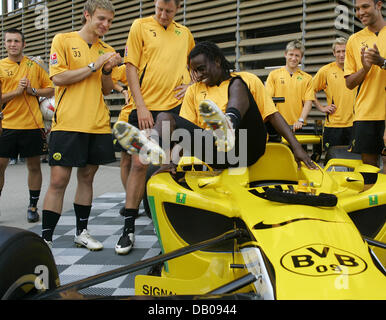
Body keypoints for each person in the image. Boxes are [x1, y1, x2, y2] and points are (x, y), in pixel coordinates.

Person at [114, 41, 316, 193]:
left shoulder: (246, 80)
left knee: (238, 84)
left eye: (201, 69)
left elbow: (272, 116)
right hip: (219, 154)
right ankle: (151, 145)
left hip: (248, 146)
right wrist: (172, 162)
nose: (198, 75)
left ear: (217, 61)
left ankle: (228, 122)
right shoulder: (194, 91)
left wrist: (297, 148)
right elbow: (186, 133)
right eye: (194, 72)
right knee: (168, 117)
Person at [112, 0, 195, 255]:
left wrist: (191, 85)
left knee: (169, 165)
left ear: (177, 8)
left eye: (168, 11)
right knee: (139, 163)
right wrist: (141, 106)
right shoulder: (140, 26)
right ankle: (128, 228)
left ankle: (170, 227)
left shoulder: (185, 33)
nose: (163, 14)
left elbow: (196, 64)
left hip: (175, 110)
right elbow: (130, 68)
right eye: (159, 9)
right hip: (146, 108)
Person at [41, 0, 121, 250]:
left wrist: (106, 70)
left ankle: (81, 232)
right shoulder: (63, 40)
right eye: (101, 19)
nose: (105, 25)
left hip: (97, 124)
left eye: (109, 21)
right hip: (68, 123)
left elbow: (107, 90)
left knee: (87, 178)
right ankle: (45, 238)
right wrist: (93, 66)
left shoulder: (106, 49)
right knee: (58, 180)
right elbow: (58, 78)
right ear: (87, 15)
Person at [0, 28, 54, 223]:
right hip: (7, 125)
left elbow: (50, 90)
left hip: (32, 126)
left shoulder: (34, 65)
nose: (12, 44)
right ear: (5, 44)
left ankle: (33, 206)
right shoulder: (0, 66)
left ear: (23, 44)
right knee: (0, 167)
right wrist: (15, 92)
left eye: (16, 41)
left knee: (34, 166)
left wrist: (33, 90)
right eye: (9, 41)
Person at [344, 0, 385, 170]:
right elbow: (349, 83)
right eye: (357, 9)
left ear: (379, 5)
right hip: (365, 114)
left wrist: (381, 61)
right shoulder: (354, 40)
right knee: (369, 171)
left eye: (365, 6)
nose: (360, 12)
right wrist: (365, 69)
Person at [313, 37, 356, 151]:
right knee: (333, 161)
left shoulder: (356, 69)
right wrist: (322, 108)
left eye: (344, 51)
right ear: (334, 53)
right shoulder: (326, 70)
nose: (342, 54)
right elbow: (309, 90)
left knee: (354, 161)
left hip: (354, 124)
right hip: (333, 126)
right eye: (338, 51)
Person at [265, 40, 315, 131]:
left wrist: (301, 120)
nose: (293, 58)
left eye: (297, 55)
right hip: (277, 126)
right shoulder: (274, 75)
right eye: (291, 54)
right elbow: (268, 100)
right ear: (285, 54)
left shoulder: (307, 78)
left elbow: (308, 102)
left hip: (298, 127)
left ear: (301, 57)